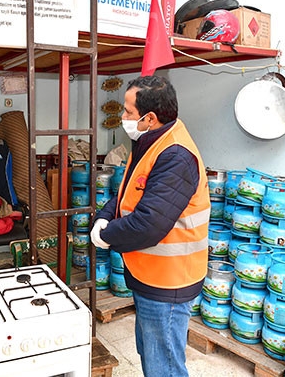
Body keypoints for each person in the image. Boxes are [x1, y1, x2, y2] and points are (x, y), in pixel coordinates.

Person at [91, 75, 211, 377]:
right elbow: (127, 193)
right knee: (152, 353)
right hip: (149, 275)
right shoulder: (149, 142)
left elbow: (149, 224)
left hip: (168, 281)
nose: (123, 117)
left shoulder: (176, 156)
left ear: (150, 117)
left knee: (164, 366)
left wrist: (106, 236)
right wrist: (105, 215)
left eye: (129, 112)